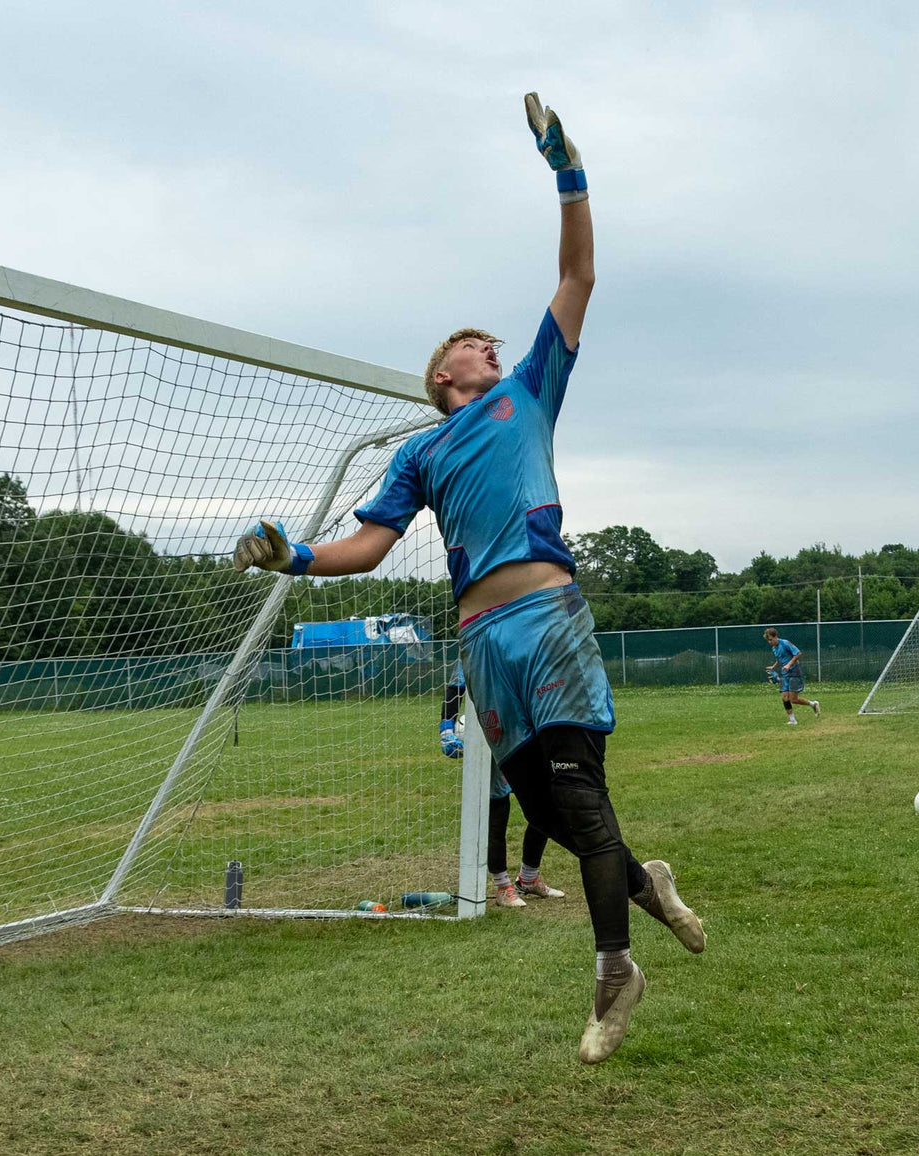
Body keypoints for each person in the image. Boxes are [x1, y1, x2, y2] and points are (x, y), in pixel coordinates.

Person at [235, 92, 705, 1065]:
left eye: (491, 341)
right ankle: (644, 884)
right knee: (545, 811)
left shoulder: (529, 389)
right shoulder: (422, 450)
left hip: (548, 619)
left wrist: (566, 168)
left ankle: (615, 964)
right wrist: (296, 556)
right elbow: (366, 543)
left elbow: (578, 270)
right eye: (471, 343)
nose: (488, 343)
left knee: (577, 801)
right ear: (441, 373)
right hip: (483, 648)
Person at [440, 661, 564, 907]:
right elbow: (456, 686)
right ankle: (502, 885)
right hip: (490, 728)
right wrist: (446, 728)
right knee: (497, 803)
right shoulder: (478, 633)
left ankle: (528, 878)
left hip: (525, 725)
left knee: (545, 800)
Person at [763, 627, 820, 725]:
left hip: (794, 672)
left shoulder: (785, 643)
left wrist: (789, 664)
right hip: (785, 674)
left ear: (776, 636)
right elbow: (780, 659)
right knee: (785, 697)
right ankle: (793, 720)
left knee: (793, 699)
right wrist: (773, 667)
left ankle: (813, 704)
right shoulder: (774, 648)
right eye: (768, 640)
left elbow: (798, 653)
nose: (769, 642)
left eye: (771, 639)